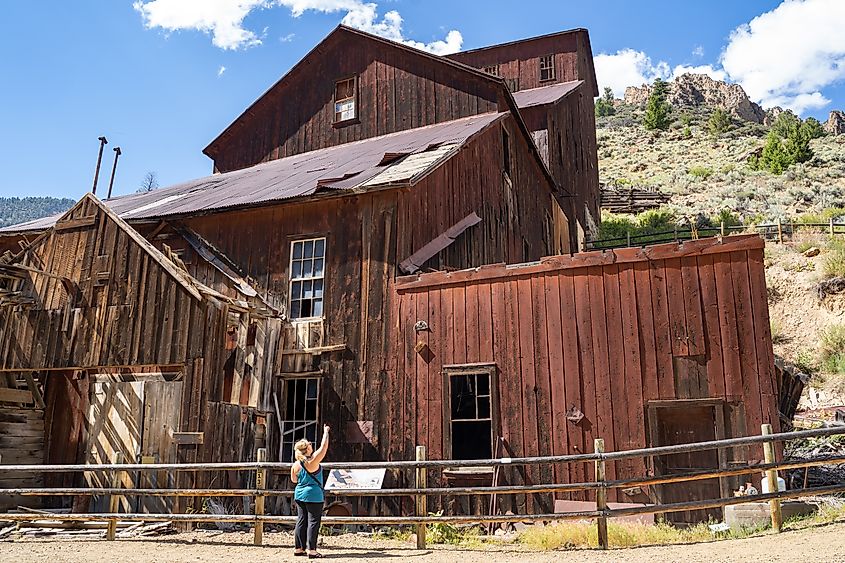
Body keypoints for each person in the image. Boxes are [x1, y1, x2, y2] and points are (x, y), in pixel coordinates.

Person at [291, 425, 330, 559]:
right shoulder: (313, 461)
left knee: (301, 520)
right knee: (313, 522)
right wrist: (325, 432)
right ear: (307, 449)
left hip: (299, 494)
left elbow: (294, 480)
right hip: (313, 495)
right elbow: (323, 447)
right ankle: (311, 550)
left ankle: (299, 548)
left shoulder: (295, 465)